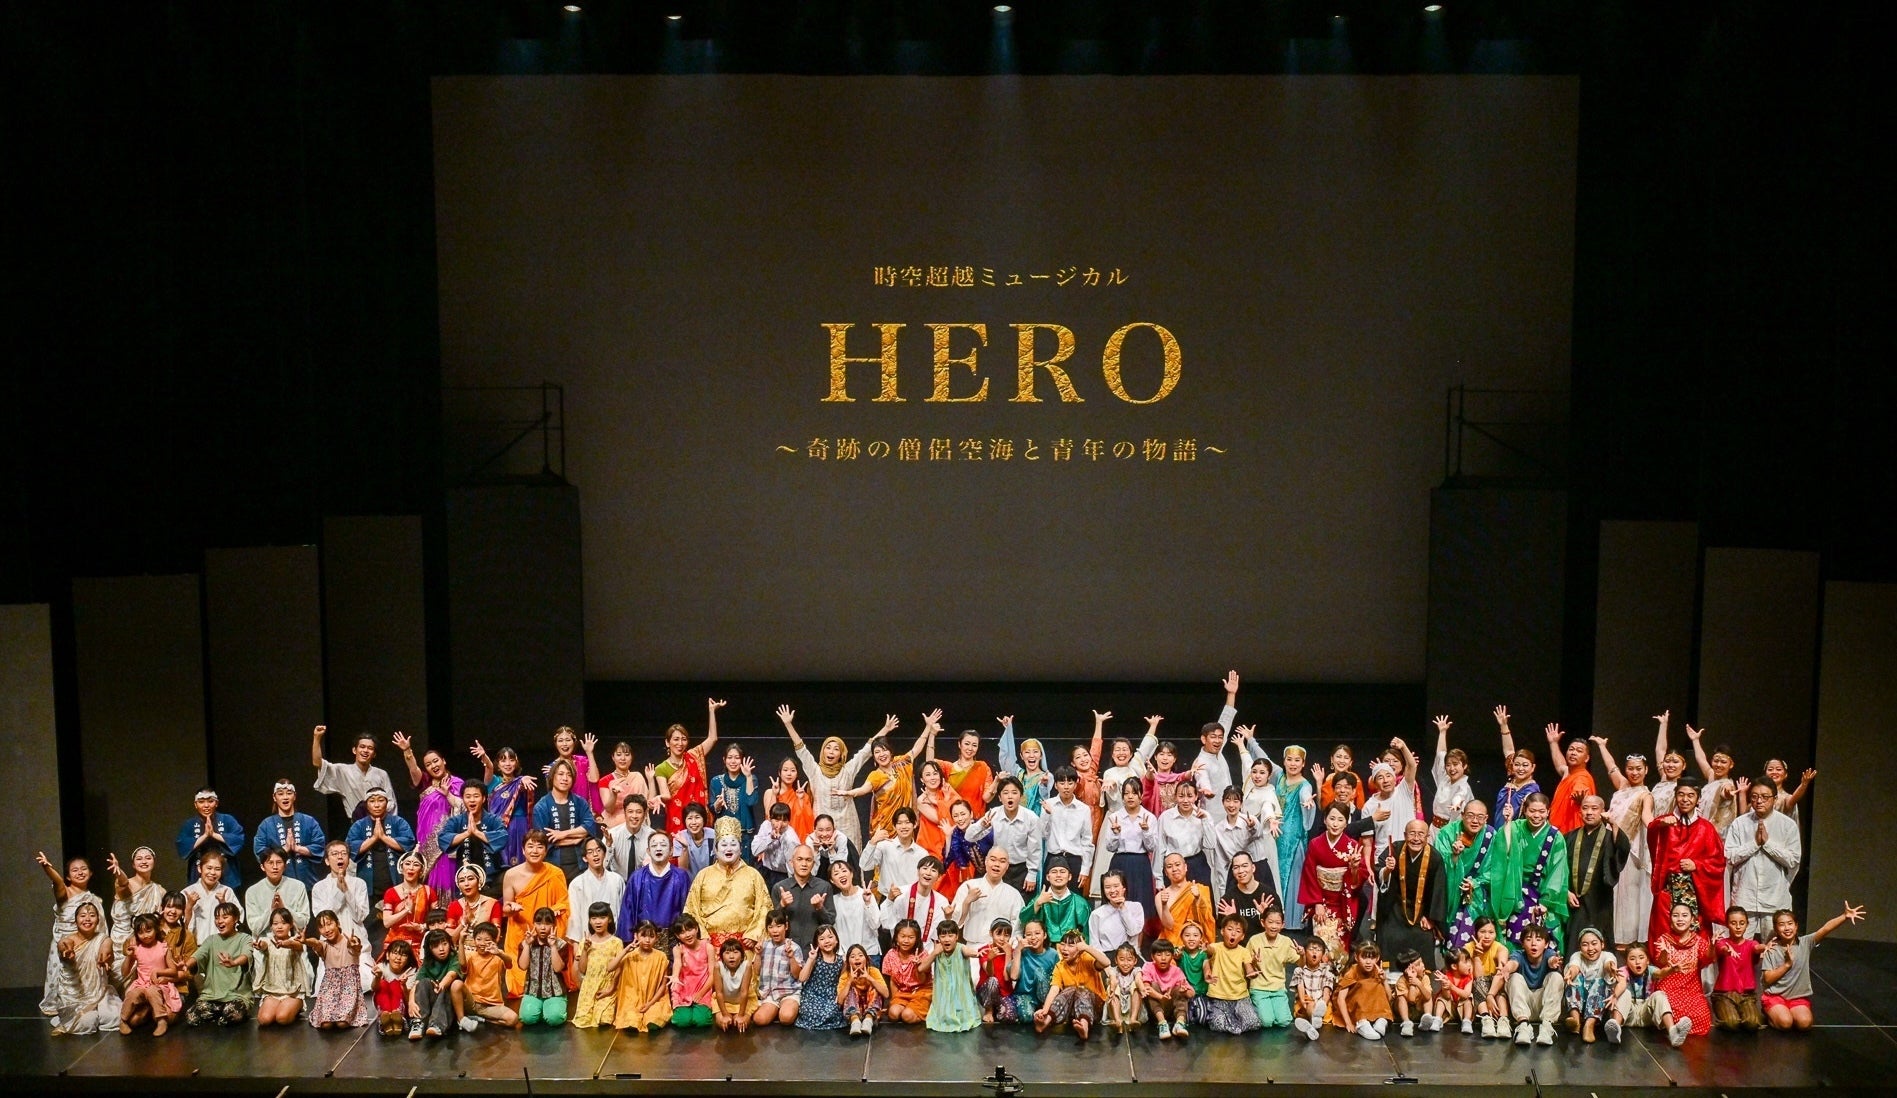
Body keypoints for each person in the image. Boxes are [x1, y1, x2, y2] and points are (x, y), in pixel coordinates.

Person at [777, 706, 886, 846]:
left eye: (836, 749)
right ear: (823, 751)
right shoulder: (815, 771)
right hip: (822, 828)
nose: (831, 751)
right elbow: (800, 748)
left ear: (841, 754)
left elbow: (867, 750)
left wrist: (886, 728)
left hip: (848, 826)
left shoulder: (848, 770)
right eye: (828, 748)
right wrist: (788, 724)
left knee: (849, 858)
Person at [1593, 733, 1657, 951]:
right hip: (1611, 844)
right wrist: (1602, 746)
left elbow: (1647, 817)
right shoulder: (1622, 785)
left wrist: (1659, 828)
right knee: (1612, 893)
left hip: (1630, 849)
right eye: (1630, 768)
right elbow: (1611, 767)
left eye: (1639, 768)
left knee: (1627, 895)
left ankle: (1626, 940)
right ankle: (1610, 937)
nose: (1634, 772)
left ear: (1646, 770)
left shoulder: (1645, 795)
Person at [1484, 792, 1570, 951]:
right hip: (1515, 891)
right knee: (1513, 936)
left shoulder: (1555, 837)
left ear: (1548, 812)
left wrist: (1546, 902)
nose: (1537, 816)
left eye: (1541, 811)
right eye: (1532, 811)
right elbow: (1503, 850)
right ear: (1524, 810)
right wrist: (1508, 822)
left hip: (1542, 892)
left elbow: (1558, 872)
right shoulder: (1516, 827)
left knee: (1543, 939)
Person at [1762, 902, 1866, 1031]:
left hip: (1797, 998)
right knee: (1785, 1023)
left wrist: (1844, 916)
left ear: (1796, 926)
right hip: (1775, 996)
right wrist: (1787, 964)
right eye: (1782, 924)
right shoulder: (1771, 949)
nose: (1787, 928)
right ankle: (1770, 1013)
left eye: (1790, 923)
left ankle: (1786, 1012)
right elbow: (1767, 979)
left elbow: (1825, 929)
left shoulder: (1805, 942)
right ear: (1776, 928)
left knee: (1805, 1024)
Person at [1647, 774, 1726, 941]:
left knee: (1696, 939)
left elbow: (1718, 862)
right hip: (1668, 893)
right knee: (1664, 937)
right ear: (1675, 796)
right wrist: (1659, 826)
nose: (1685, 799)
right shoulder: (1665, 822)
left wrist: (1697, 865)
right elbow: (1652, 838)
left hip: (1695, 892)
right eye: (1681, 794)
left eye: (1690, 795)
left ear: (1698, 799)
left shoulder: (1706, 828)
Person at [1725, 777, 1802, 940]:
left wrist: (1767, 844)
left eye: (1765, 797)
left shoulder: (1787, 825)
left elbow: (1793, 860)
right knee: (1739, 948)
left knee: (1774, 948)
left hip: (1775, 897)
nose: (1759, 801)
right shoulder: (1739, 823)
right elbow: (1729, 857)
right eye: (1754, 796)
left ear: (1775, 798)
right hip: (1745, 896)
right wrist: (1754, 844)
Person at [389, 732, 464, 892]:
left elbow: (464, 808)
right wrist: (407, 751)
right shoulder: (425, 783)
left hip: (446, 842)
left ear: (443, 761)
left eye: (436, 761)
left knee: (446, 876)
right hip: (425, 840)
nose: (433, 766)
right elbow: (413, 769)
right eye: (428, 764)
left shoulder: (458, 784)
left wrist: (448, 794)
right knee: (428, 881)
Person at [683, 816, 772, 953]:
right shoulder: (703, 875)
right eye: (724, 845)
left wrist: (754, 934)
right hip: (711, 948)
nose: (728, 848)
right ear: (716, 850)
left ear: (740, 849)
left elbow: (764, 907)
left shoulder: (753, 875)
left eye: (733, 844)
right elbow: (691, 909)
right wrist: (703, 936)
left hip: (745, 947)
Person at [36, 852, 105, 1021]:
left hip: (87, 943)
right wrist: (47, 868)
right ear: (68, 876)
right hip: (65, 943)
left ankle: (87, 1002)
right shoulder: (64, 892)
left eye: (84, 869)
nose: (80, 872)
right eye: (75, 870)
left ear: (90, 873)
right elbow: (58, 882)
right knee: (62, 977)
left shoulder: (93, 899)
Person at [500, 830, 569, 998]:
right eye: (530, 846)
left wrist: (553, 910)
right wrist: (512, 907)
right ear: (523, 850)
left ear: (546, 851)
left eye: (540, 846)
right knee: (520, 984)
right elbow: (505, 908)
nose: (535, 851)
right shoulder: (511, 875)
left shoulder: (555, 873)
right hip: (521, 929)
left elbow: (564, 903)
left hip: (547, 931)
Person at [844, 715, 933, 836]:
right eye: (877, 752)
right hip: (884, 830)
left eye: (884, 750)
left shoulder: (902, 763)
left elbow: (917, 748)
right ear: (874, 758)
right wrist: (850, 793)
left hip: (905, 826)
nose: (881, 754)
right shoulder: (876, 775)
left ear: (891, 752)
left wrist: (928, 727)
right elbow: (863, 789)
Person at [1376, 819, 1446, 967]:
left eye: (1421, 834)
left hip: (1421, 912)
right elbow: (1379, 872)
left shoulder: (1435, 858)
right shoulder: (1394, 849)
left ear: (1427, 837)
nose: (1416, 838)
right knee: (1389, 934)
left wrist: (1431, 918)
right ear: (1404, 835)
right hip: (1394, 908)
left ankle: (1422, 974)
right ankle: (1388, 973)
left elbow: (1439, 890)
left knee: (1424, 936)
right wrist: (1387, 870)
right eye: (1412, 833)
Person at [1299, 802, 1369, 950]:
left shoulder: (1352, 846)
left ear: (1346, 823)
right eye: (1332, 819)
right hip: (1321, 900)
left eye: (1340, 819)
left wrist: (1354, 869)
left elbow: (1358, 881)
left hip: (1343, 902)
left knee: (1340, 948)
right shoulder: (1315, 844)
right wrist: (1317, 903)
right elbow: (1310, 874)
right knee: (1320, 945)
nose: (1335, 824)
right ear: (1325, 820)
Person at [1565, 794, 1629, 953]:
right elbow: (1559, 868)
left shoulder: (1609, 836)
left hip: (1600, 900)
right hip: (1574, 899)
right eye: (1585, 808)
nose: (1589, 812)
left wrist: (1613, 823)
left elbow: (1623, 849)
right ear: (1580, 811)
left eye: (1594, 808)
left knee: (1601, 939)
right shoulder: (1570, 837)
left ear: (1603, 811)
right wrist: (1565, 891)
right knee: (1573, 941)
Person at [653, 699, 724, 835]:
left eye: (684, 739)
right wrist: (659, 798)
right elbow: (666, 795)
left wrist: (711, 711)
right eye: (676, 739)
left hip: (699, 818)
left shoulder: (693, 756)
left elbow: (712, 738)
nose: (680, 743)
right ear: (667, 742)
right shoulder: (661, 768)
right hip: (677, 819)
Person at [346, 788, 416, 924]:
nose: (377, 805)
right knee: (370, 923)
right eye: (372, 801)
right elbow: (350, 847)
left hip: (395, 881)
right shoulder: (359, 825)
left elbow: (408, 842)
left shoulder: (398, 822)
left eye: (380, 800)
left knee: (399, 921)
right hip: (369, 883)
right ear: (366, 804)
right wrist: (373, 838)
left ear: (387, 802)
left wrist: (383, 837)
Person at [46, 899, 116, 1036]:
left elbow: (106, 947)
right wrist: (65, 950)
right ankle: (83, 1016)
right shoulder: (68, 940)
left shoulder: (103, 939)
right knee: (86, 1022)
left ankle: (97, 1010)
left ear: (98, 920)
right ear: (75, 921)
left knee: (114, 1017)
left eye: (92, 915)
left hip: (98, 991)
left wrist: (105, 956)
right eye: (83, 915)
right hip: (74, 994)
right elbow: (63, 944)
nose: (87, 919)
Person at [966, 776, 1046, 895]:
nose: (1010, 796)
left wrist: (1032, 874)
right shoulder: (994, 814)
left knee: (1022, 904)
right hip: (999, 868)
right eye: (1005, 793)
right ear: (999, 797)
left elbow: (1035, 849)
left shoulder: (1031, 818)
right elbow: (969, 837)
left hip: (1021, 870)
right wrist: (982, 826)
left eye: (1014, 792)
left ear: (1021, 796)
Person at [311, 839, 374, 986]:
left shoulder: (359, 884)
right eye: (334, 854)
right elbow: (324, 919)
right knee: (328, 987)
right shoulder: (319, 887)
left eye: (343, 853)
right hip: (331, 947)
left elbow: (360, 916)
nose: (340, 857)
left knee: (366, 983)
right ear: (327, 861)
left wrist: (347, 890)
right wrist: (339, 891)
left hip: (356, 943)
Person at [1435, 799, 1495, 951]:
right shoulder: (1447, 833)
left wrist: (1475, 883)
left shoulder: (1491, 835)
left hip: (1478, 895)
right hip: (1452, 893)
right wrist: (1454, 856)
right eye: (1470, 815)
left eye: (1480, 817)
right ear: (1462, 815)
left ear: (1486, 818)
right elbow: (1439, 867)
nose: (1475, 821)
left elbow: (1497, 869)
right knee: (1454, 946)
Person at [1649, 900, 1714, 1038]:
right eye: (1675, 915)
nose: (1680, 919)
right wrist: (1665, 953)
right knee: (1670, 1009)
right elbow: (1661, 963)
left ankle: (1678, 1027)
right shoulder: (1664, 939)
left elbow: (1708, 958)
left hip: (1691, 989)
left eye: (1684, 915)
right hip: (1668, 988)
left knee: (1702, 1016)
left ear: (1692, 920)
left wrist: (1713, 946)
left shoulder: (1698, 940)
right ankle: (1674, 1028)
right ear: (1670, 919)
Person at [1270, 745, 1317, 929]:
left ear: (1303, 763)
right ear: (1284, 761)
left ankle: (1292, 922)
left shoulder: (1305, 785)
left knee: (1293, 878)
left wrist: (1307, 802)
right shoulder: (1279, 777)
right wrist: (1250, 741)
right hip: (1276, 837)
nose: (1293, 763)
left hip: (1293, 840)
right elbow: (1263, 759)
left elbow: (1306, 795)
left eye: (1297, 760)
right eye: (1289, 759)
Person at [185, 902, 254, 1026]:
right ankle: (219, 1014)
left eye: (225, 917)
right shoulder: (211, 940)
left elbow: (246, 955)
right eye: (217, 918)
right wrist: (186, 965)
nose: (220, 921)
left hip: (236, 995)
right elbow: (198, 955)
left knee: (231, 1014)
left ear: (236, 919)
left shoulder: (245, 938)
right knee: (192, 1017)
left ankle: (223, 1014)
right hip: (212, 996)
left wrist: (234, 962)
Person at [305, 908, 375, 1029]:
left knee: (342, 1023)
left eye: (329, 924)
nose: (326, 929)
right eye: (322, 927)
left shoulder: (349, 941)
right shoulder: (324, 945)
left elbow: (356, 946)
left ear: (337, 923)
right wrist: (305, 941)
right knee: (326, 1025)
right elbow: (315, 942)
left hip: (349, 988)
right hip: (330, 989)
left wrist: (354, 945)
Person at [532, 758, 600, 882]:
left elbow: (590, 827)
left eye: (569, 775)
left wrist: (563, 834)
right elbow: (545, 840)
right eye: (561, 774)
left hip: (580, 865)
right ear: (552, 777)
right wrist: (576, 839)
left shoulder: (580, 802)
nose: (565, 778)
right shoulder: (541, 806)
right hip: (553, 865)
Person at [471, 741, 537, 865]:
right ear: (498, 764)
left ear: (516, 762)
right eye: (503, 760)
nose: (508, 764)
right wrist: (484, 756)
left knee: (521, 861)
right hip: (499, 828)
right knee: (501, 861)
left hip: (520, 826)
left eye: (511, 760)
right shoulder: (493, 781)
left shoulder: (522, 781)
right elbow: (489, 767)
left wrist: (523, 780)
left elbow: (524, 790)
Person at [1497, 923, 1564, 1045]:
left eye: (1538, 939)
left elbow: (1551, 960)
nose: (1533, 943)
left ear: (1546, 944)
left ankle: (1547, 1027)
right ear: (1522, 944)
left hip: (1543, 1006)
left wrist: (1553, 962)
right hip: (1523, 1007)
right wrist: (1507, 968)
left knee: (1556, 977)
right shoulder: (1519, 954)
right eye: (1528, 939)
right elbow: (1514, 963)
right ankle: (1524, 1026)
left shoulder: (1549, 954)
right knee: (1514, 977)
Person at [1034, 930, 1109, 1039]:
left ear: (1080, 949)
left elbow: (1106, 962)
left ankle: (1084, 1027)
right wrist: (1045, 1010)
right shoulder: (1060, 966)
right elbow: (1054, 989)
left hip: (1094, 1009)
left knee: (1081, 990)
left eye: (1070, 945)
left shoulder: (1087, 959)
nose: (1065, 948)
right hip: (1073, 1011)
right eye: (1063, 944)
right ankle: (1045, 1022)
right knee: (1070, 990)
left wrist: (1087, 948)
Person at [619, 831, 689, 946]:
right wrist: (629, 940)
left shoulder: (681, 877)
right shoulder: (637, 877)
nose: (658, 848)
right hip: (643, 940)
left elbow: (687, 910)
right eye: (654, 845)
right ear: (648, 851)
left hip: (674, 941)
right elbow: (627, 911)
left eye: (663, 845)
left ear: (671, 850)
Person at [313, 725, 397, 821]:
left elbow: (391, 802)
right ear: (354, 750)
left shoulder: (381, 774)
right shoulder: (343, 771)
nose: (365, 750)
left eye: (370, 748)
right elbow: (317, 763)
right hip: (357, 823)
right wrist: (317, 738)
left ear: (374, 754)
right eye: (362, 747)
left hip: (381, 822)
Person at [253, 780, 327, 888]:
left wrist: (297, 848)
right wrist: (284, 850)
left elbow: (319, 845)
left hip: (308, 881)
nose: (285, 797)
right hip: (280, 884)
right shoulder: (266, 825)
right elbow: (260, 852)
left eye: (289, 793)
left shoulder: (309, 821)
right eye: (280, 794)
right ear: (274, 797)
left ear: (294, 796)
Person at [1617, 941, 1692, 1046]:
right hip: (1629, 1013)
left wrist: (1672, 970)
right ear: (1627, 962)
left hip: (1646, 1013)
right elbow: (1621, 982)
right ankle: (1615, 1028)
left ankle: (1673, 1032)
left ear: (1647, 961)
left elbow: (1661, 973)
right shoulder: (1623, 971)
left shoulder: (1651, 970)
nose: (1637, 962)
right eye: (1632, 959)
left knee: (1659, 994)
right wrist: (1615, 996)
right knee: (1624, 993)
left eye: (1641, 958)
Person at [118, 913, 181, 1036]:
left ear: (156, 929)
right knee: (133, 994)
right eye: (141, 933)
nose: (145, 935)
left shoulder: (163, 947)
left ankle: (161, 1020)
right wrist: (129, 956)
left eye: (148, 931)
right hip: (141, 984)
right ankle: (123, 1020)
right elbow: (124, 972)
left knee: (152, 991)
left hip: (158, 985)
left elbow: (173, 970)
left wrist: (158, 972)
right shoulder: (137, 949)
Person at [436, 781, 507, 891]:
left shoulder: (493, 819)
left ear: (483, 799)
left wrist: (477, 833)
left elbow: (503, 836)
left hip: (492, 878)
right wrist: (467, 833)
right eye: (468, 797)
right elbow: (442, 839)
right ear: (463, 799)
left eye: (476, 796)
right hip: (466, 879)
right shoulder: (456, 821)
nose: (472, 800)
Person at [176, 788, 247, 889]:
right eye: (201, 802)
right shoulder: (189, 824)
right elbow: (182, 844)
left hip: (226, 872)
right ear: (195, 804)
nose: (206, 805)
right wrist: (205, 836)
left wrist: (214, 835)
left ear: (216, 803)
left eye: (210, 801)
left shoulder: (228, 819)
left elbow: (238, 838)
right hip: (198, 872)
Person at [951, 847, 1024, 944]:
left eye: (1002, 861)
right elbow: (954, 922)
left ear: (1007, 866)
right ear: (985, 861)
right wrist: (967, 902)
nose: (997, 864)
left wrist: (1009, 947)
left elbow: (1017, 928)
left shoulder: (1014, 894)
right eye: (993, 860)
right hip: (973, 948)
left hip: (1001, 948)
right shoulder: (969, 886)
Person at [1709, 904, 1765, 1031]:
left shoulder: (1751, 943)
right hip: (1724, 994)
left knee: (1752, 1023)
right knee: (1731, 1023)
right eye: (1733, 923)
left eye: (1742, 923)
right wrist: (1727, 950)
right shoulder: (1722, 942)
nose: (1738, 927)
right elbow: (1722, 949)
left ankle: (1742, 1014)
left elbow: (1756, 948)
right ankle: (1724, 1015)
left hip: (1746, 995)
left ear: (1747, 924)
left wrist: (1765, 947)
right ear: (1727, 924)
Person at [253, 907, 312, 1027]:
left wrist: (285, 943)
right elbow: (264, 945)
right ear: (271, 926)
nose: (279, 927)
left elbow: (297, 946)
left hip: (292, 992)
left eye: (284, 923)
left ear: (290, 925)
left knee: (282, 1018)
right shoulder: (268, 941)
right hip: (273, 991)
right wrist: (260, 945)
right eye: (275, 924)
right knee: (264, 1020)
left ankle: (296, 1006)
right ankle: (279, 1007)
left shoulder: (295, 940)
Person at [611, 919, 672, 1033]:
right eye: (643, 936)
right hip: (632, 999)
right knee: (630, 1019)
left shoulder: (661, 957)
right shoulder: (629, 956)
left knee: (654, 1017)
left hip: (654, 999)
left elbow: (663, 986)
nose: (647, 940)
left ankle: (651, 1017)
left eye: (651, 936)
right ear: (636, 936)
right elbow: (610, 968)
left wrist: (650, 1003)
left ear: (657, 937)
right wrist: (626, 950)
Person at [921, 918, 982, 1032]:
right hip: (943, 992)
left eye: (950, 935)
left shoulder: (960, 947)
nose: (947, 939)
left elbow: (967, 951)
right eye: (943, 936)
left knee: (962, 1012)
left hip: (960, 991)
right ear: (939, 938)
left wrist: (977, 954)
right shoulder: (937, 951)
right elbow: (921, 968)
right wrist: (934, 953)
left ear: (957, 937)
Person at [1042, 767, 1097, 893]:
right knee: (1049, 899)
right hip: (1053, 858)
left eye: (1070, 783)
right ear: (1055, 785)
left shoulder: (1083, 809)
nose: (1066, 787)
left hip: (1074, 860)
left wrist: (1085, 869)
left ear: (1076, 784)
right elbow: (1043, 834)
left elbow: (1087, 841)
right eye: (1062, 783)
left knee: (1074, 899)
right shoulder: (1048, 804)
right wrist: (1047, 815)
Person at [1561, 926, 1620, 1042]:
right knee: (1575, 978)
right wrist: (1570, 974)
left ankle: (1589, 1025)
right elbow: (1574, 966)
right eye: (1585, 945)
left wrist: (1610, 968)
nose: (1590, 948)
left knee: (1600, 982)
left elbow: (1608, 964)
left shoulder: (1607, 956)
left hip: (1598, 1004)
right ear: (1580, 947)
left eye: (1594, 943)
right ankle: (1575, 1021)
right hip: (1580, 1000)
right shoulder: (1577, 956)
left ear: (1602, 944)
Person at [1245, 906, 1300, 1030]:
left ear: (1282, 925)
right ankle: (1254, 1006)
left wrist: (1302, 955)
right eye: (1270, 922)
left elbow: (1300, 963)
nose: (1274, 926)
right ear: (1262, 922)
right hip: (1259, 988)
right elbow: (1246, 962)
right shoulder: (1254, 940)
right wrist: (1253, 961)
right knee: (1267, 1022)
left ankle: (1271, 1008)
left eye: (1277, 923)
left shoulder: (1286, 941)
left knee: (1284, 1021)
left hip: (1278, 988)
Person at [105, 847, 166, 955]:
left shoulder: (159, 890)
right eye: (139, 859)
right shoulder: (127, 884)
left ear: (154, 862)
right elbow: (123, 883)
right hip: (125, 939)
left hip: (149, 940)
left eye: (148, 858)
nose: (144, 861)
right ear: (133, 864)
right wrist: (118, 872)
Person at [572, 905, 624, 1028]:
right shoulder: (584, 941)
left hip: (607, 986)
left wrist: (611, 988)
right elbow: (582, 969)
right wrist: (585, 950)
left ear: (609, 919)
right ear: (590, 921)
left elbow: (619, 968)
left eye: (602, 917)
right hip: (589, 987)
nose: (598, 922)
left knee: (604, 1020)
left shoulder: (616, 942)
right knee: (583, 1020)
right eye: (594, 918)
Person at [516, 906, 569, 1026]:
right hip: (533, 991)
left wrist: (553, 946)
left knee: (555, 1019)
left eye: (547, 923)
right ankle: (540, 1008)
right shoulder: (526, 943)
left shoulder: (561, 944)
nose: (543, 927)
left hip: (555, 992)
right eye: (539, 923)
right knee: (527, 1018)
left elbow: (558, 968)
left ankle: (553, 1007)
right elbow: (523, 966)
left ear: (554, 925)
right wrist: (527, 945)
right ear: (534, 924)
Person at [1331, 939, 1394, 1040]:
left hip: (1372, 1007)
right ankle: (1362, 1023)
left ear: (1377, 958)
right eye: (1364, 957)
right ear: (1356, 957)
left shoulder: (1377, 971)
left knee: (1377, 986)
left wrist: (1384, 981)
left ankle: (1381, 1019)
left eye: (1372, 958)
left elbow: (1389, 998)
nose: (1368, 962)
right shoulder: (1352, 972)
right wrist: (1348, 1023)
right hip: (1354, 1009)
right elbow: (1340, 999)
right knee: (1364, 985)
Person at [1157, 778, 1215, 889]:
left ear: (1196, 796)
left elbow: (1210, 844)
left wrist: (1204, 821)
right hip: (1174, 867)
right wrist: (1159, 879)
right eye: (1181, 796)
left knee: (1201, 899)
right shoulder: (1165, 817)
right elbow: (1160, 849)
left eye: (1189, 796)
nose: (1185, 800)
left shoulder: (1204, 815)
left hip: (1197, 864)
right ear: (1175, 797)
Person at [410, 929, 468, 1038]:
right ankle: (419, 1023)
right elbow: (416, 983)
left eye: (444, 944)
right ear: (430, 948)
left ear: (449, 944)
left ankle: (436, 1025)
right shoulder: (427, 962)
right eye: (436, 946)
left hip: (448, 1004)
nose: (441, 949)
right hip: (433, 1002)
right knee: (423, 983)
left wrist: (441, 985)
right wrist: (411, 1001)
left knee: (446, 988)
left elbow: (451, 975)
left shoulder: (454, 957)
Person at [1684, 724, 1741, 833]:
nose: (1718, 765)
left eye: (1723, 762)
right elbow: (1701, 759)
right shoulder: (1711, 777)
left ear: (1731, 765)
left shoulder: (1727, 784)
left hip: (1715, 832)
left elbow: (1726, 791)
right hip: (1701, 828)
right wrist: (1695, 740)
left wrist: (1728, 793)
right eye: (1716, 761)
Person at [245, 846, 311, 939]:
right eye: (270, 863)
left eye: (279, 862)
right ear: (262, 867)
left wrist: (284, 908)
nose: (275, 867)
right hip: (264, 943)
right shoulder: (252, 892)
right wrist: (271, 910)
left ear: (285, 866)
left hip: (293, 942)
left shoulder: (298, 886)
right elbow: (254, 928)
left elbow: (303, 922)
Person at [461, 922, 519, 1028]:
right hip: (471, 1001)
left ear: (494, 940)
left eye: (487, 940)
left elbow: (509, 963)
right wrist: (460, 942)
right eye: (479, 939)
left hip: (491, 1005)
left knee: (513, 1019)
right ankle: (466, 1017)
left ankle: (482, 1019)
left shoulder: (498, 955)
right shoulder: (470, 955)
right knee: (456, 986)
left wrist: (499, 953)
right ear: (474, 940)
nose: (482, 943)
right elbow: (462, 965)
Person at [775, 844, 833, 949]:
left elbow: (830, 923)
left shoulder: (824, 887)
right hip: (786, 950)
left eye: (808, 860)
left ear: (813, 864)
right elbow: (772, 924)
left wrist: (820, 908)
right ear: (791, 862)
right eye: (799, 859)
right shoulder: (780, 888)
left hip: (815, 950)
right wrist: (782, 905)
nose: (804, 864)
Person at [1205, 786, 1260, 897]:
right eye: (1228, 800)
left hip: (1255, 872)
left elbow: (1257, 833)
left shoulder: (1250, 820)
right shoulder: (1218, 829)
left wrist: (1252, 826)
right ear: (1223, 802)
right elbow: (1220, 862)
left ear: (1241, 804)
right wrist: (1222, 890)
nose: (1231, 805)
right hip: (1235, 875)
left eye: (1236, 801)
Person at [1491, 707, 1542, 826]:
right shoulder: (1512, 776)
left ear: (1533, 767)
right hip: (1499, 830)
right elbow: (1509, 750)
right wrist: (1504, 725)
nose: (1520, 768)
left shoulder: (1532, 790)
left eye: (1525, 765)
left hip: (1517, 832)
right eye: (1517, 764)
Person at [1544, 725, 1598, 834]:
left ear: (1587, 758)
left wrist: (1582, 801)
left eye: (1579, 751)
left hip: (1571, 834)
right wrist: (1553, 743)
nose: (1573, 753)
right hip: (1556, 832)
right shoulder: (1569, 773)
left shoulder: (1582, 778)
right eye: (1571, 749)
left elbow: (1582, 793)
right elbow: (1560, 766)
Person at [380, 850, 435, 958]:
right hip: (395, 945)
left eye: (416, 865)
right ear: (401, 867)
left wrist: (420, 927)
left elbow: (437, 921)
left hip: (420, 945)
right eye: (407, 863)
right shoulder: (391, 892)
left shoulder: (428, 892)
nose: (411, 868)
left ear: (421, 870)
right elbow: (387, 922)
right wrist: (406, 910)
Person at [826, 859, 882, 964]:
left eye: (844, 871)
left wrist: (867, 903)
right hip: (845, 957)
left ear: (851, 874)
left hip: (869, 954)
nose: (841, 875)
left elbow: (876, 924)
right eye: (836, 874)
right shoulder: (833, 900)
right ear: (832, 881)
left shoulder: (866, 894)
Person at [884, 855, 950, 944]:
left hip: (925, 948)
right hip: (901, 946)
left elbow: (938, 935)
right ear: (918, 871)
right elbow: (887, 923)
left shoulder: (942, 901)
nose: (928, 873)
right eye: (925, 868)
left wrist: (948, 918)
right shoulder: (901, 893)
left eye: (933, 870)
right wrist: (889, 900)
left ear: (939, 877)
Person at [1026, 861, 1092, 947]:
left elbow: (1086, 934)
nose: (1058, 875)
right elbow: (1024, 920)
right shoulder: (1040, 899)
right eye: (1054, 872)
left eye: (1062, 872)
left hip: (1072, 948)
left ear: (1070, 876)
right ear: (1047, 877)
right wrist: (1037, 904)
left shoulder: (1080, 902)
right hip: (1044, 948)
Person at [180, 850, 238, 947]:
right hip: (194, 948)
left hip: (220, 946)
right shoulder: (188, 892)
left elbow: (237, 921)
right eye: (209, 868)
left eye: (217, 869)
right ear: (199, 868)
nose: (213, 872)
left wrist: (224, 904)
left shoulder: (227, 892)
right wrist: (189, 906)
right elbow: (179, 926)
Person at [795, 924, 848, 1031]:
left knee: (833, 1011)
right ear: (817, 943)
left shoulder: (840, 961)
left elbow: (841, 980)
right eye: (822, 939)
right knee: (809, 1011)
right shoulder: (815, 958)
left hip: (831, 996)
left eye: (830, 937)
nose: (827, 941)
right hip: (812, 995)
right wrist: (811, 959)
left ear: (836, 940)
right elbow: (802, 978)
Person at [1465, 917, 1511, 1037]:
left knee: (1500, 981)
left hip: (1495, 986)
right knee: (1478, 982)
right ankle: (1486, 1019)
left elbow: (1501, 970)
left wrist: (1490, 995)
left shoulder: (1500, 948)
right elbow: (1478, 977)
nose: (1487, 936)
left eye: (1491, 932)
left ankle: (1503, 1020)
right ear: (1475, 933)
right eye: (1482, 932)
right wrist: (1476, 956)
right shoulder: (1467, 949)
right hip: (1476, 988)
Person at [995, 718, 1052, 813]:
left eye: (1035, 752)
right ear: (1021, 756)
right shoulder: (1017, 773)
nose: (1031, 755)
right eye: (1027, 752)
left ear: (1041, 755)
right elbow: (1007, 758)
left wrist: (1044, 784)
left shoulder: (1047, 776)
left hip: (1036, 820)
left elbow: (1045, 795)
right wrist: (1008, 729)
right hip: (1017, 819)